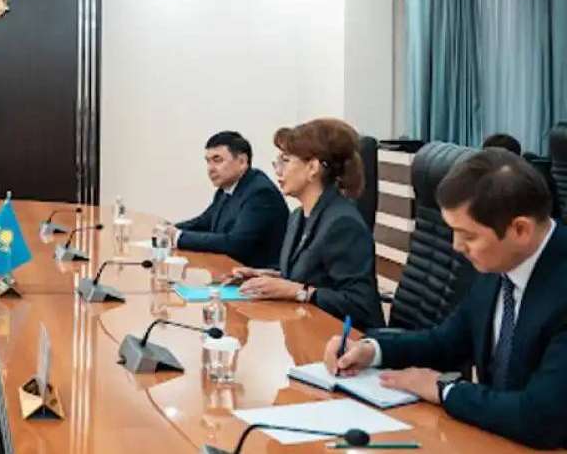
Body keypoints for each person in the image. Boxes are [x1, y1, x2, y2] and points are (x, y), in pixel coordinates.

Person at [324, 150, 567, 449]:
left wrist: (444, 390)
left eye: (468, 236)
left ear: (520, 230)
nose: (456, 246)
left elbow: (539, 418)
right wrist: (371, 350)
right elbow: (447, 342)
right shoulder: (501, 262)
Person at [230, 119, 384, 330]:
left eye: (285, 160)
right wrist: (268, 277)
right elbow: (311, 277)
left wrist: (297, 291)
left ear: (313, 168)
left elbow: (360, 305)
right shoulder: (297, 216)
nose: (277, 169)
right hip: (306, 330)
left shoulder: (343, 224)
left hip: (344, 343)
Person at [163, 131, 289, 268]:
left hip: (258, 279)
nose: (210, 169)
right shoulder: (227, 188)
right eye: (208, 161)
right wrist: (169, 228)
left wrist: (178, 237)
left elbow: (236, 244)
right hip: (230, 270)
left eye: (217, 160)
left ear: (242, 162)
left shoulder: (260, 193)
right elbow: (204, 222)